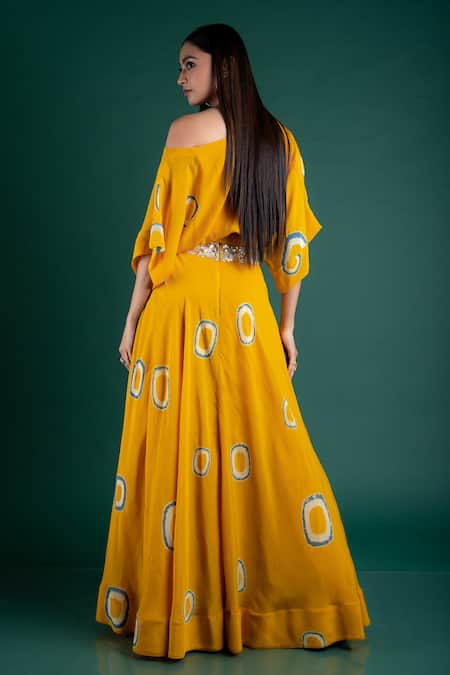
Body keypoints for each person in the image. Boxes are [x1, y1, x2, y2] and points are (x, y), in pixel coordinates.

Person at [95, 23, 371, 660]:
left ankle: (179, 610)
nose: (180, 78)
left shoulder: (184, 133)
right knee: (264, 454)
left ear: (223, 66)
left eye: (189, 65)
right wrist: (287, 327)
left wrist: (131, 318)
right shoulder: (281, 141)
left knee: (175, 453)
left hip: (181, 309)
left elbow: (158, 237)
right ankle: (296, 603)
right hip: (248, 309)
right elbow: (291, 248)